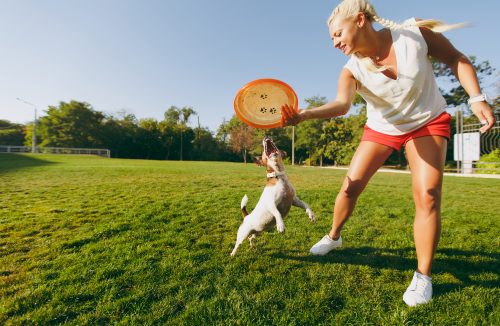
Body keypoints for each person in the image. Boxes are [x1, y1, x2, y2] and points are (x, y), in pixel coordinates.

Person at [280, 0, 496, 307]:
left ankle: (423, 276)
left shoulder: (414, 33)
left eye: (337, 34)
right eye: (331, 39)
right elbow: (342, 106)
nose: (335, 43)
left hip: (427, 122)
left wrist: (476, 98)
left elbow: (457, 59)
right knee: (350, 187)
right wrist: (304, 115)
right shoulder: (351, 69)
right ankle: (334, 236)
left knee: (429, 194)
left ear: (359, 20)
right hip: (382, 128)